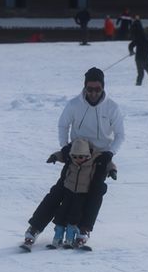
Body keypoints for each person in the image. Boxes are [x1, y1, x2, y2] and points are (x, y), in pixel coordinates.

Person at [23, 67, 125, 246]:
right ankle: (35, 227)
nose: (93, 93)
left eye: (97, 89)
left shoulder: (112, 108)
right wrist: (66, 149)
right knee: (60, 191)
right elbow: (63, 125)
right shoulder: (74, 105)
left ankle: (84, 229)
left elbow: (120, 135)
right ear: (84, 87)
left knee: (96, 192)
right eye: (90, 89)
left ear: (103, 88)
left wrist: (110, 153)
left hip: (100, 156)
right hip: (77, 153)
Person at [48, 139, 116, 248]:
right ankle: (57, 237)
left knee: (74, 217)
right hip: (68, 191)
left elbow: (108, 163)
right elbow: (61, 155)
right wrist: (54, 157)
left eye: (80, 157)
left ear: (87, 155)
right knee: (61, 214)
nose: (77, 159)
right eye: (74, 156)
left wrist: (112, 171)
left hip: (82, 194)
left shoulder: (94, 159)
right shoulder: (71, 160)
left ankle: (70, 239)